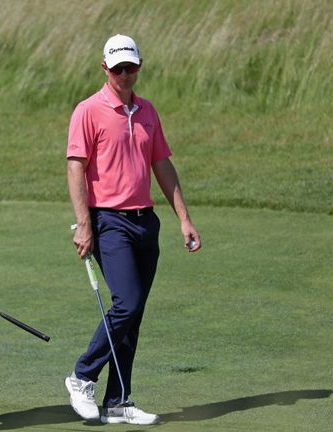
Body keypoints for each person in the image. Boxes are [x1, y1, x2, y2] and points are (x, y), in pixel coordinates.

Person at [64, 34, 202, 425]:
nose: (125, 75)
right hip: (109, 222)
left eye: (131, 67)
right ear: (104, 69)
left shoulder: (147, 111)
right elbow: (76, 167)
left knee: (134, 312)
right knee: (125, 302)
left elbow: (163, 166)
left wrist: (184, 219)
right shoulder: (88, 111)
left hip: (146, 222)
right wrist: (84, 224)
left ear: (139, 66)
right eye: (118, 68)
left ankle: (119, 401)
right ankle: (82, 376)